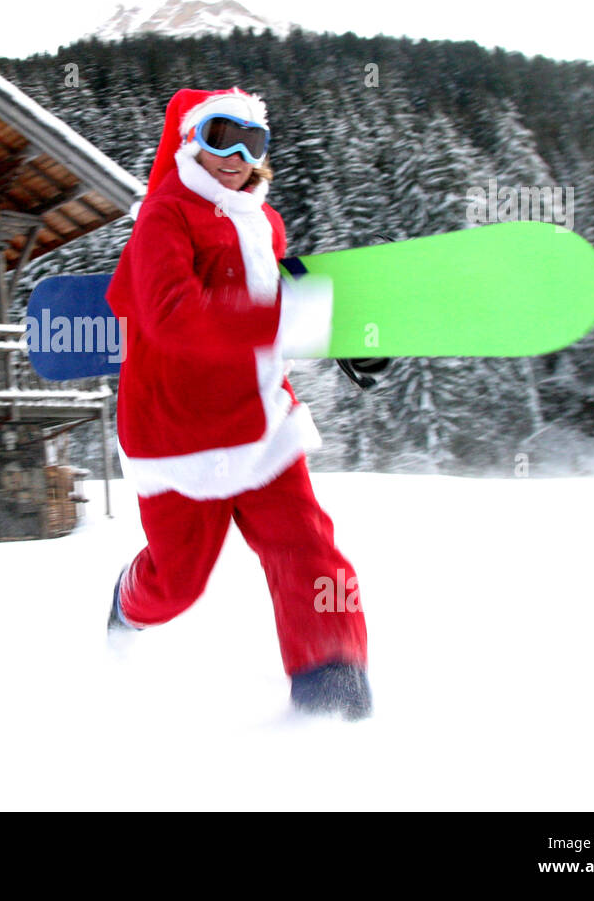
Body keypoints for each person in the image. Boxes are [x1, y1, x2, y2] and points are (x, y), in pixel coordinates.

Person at [104, 86, 372, 720]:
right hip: (177, 430)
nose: (236, 155)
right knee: (178, 583)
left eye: (253, 141)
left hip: (259, 419)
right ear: (190, 139)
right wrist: (292, 316)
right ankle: (128, 600)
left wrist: (345, 339)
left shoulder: (264, 219)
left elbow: (267, 308)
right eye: (221, 135)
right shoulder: (164, 215)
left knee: (306, 546)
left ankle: (331, 686)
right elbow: (175, 317)